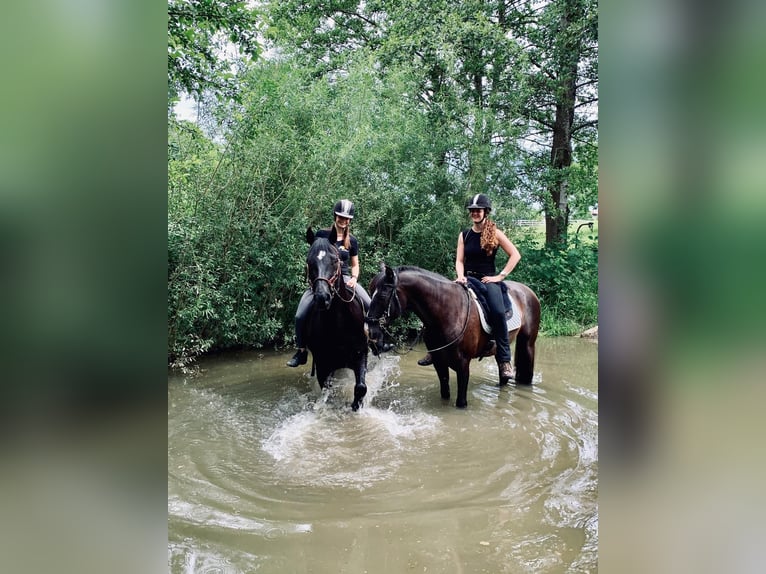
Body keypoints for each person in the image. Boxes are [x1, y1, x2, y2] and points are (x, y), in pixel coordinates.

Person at [418, 193, 521, 382]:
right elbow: (459, 260)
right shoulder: (464, 235)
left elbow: (515, 255)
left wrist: (500, 276)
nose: (474, 213)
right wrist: (460, 276)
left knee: (498, 312)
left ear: (485, 212)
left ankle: (504, 360)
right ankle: (434, 350)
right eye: (472, 211)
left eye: (478, 210)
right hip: (467, 279)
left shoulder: (495, 233)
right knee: (439, 307)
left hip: (488, 280)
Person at [287, 199, 372, 367]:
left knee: (369, 304)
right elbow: (313, 257)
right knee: (299, 315)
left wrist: (354, 279)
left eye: (347, 218)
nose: (344, 221)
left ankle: (376, 342)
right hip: (322, 280)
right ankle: (301, 351)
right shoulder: (321, 234)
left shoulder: (352, 241)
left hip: (345, 278)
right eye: (341, 217)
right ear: (335, 216)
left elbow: (355, 264)